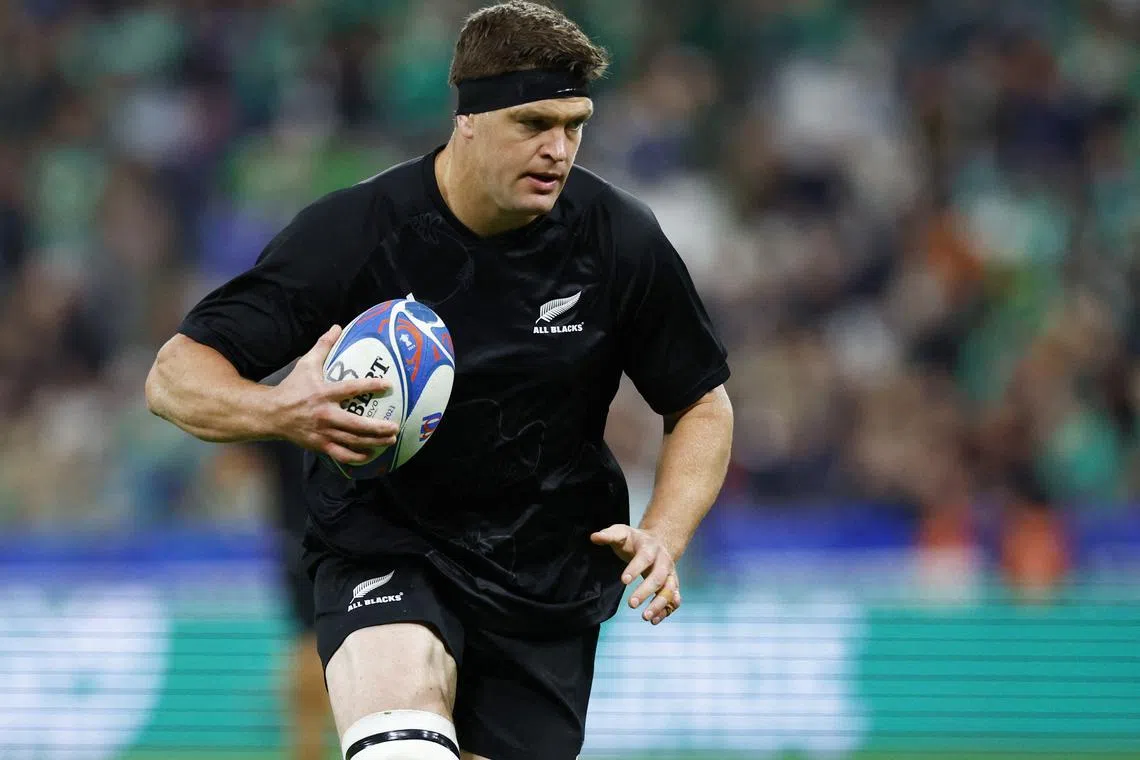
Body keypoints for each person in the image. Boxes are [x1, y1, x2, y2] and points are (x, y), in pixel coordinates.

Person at [145, 2, 734, 759]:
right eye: (533, 124)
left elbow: (701, 403)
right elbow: (175, 375)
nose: (558, 150)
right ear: (468, 120)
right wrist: (279, 410)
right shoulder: (358, 231)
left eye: (574, 125)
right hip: (385, 545)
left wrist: (665, 532)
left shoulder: (618, 238)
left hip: (543, 576)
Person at [258, 436, 334, 760]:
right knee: (311, 644)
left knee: (309, 642)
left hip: (301, 537)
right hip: (326, 536)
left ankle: (308, 748)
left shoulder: (284, 404)